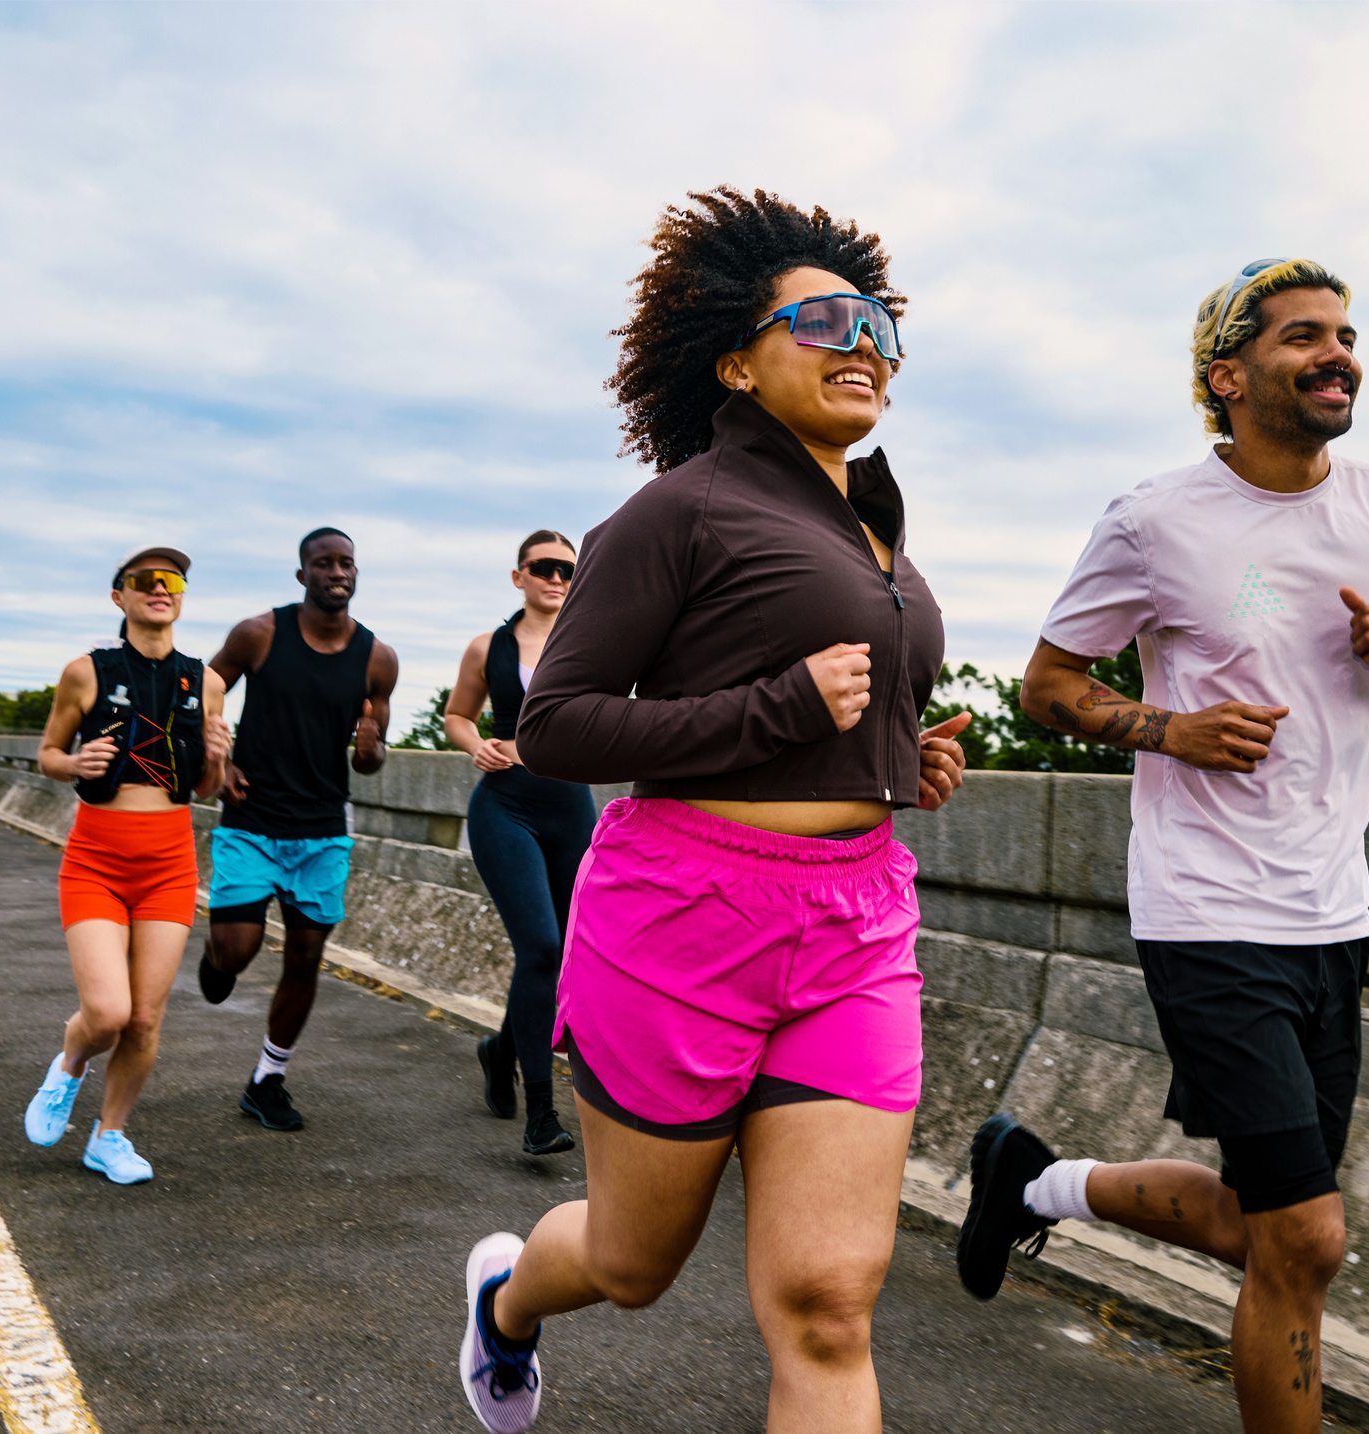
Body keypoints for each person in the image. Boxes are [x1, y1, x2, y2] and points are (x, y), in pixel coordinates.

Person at [456, 187, 972, 1434]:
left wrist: (904, 764)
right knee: (633, 1266)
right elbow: (562, 725)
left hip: (854, 925)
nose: (862, 344)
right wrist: (778, 710)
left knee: (830, 1303)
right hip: (684, 911)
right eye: (824, 322)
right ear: (737, 362)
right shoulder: (673, 512)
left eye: (879, 327)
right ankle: (507, 1304)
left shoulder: (876, 533)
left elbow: (846, 715)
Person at [956, 259, 1369, 1434]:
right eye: (1302, 338)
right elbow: (1047, 688)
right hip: (1207, 907)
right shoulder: (1153, 518)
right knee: (1308, 1236)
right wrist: (1168, 726)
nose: (1337, 354)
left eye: (1344, 334)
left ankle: (1028, 1180)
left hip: (1336, 911)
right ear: (1227, 377)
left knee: (1265, 1227)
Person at [22, 545, 231, 1185]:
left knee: (144, 1017)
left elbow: (205, 791)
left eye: (172, 581)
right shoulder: (86, 672)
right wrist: (72, 765)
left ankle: (108, 1137)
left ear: (182, 596)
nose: (159, 589)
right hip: (96, 859)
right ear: (120, 597)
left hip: (170, 863)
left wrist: (219, 759)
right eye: (144, 581)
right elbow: (49, 753)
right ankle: (69, 1064)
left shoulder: (209, 683)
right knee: (108, 1013)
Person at [194, 527, 398, 1132]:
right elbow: (205, 688)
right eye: (324, 563)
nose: (338, 572)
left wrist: (370, 747)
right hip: (253, 817)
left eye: (347, 564)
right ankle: (218, 957)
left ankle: (268, 1079)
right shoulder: (260, 633)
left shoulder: (377, 658)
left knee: (307, 955)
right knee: (239, 949)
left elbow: (370, 757)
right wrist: (218, 758)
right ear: (302, 574)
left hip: (322, 826)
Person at [443, 530, 594, 1158]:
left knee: (562, 960)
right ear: (519, 577)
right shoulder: (488, 646)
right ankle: (541, 1115)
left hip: (570, 809)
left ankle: (500, 1048)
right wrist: (472, 742)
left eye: (567, 569)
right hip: (505, 808)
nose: (556, 579)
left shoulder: (591, 645)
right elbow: (457, 713)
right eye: (544, 568)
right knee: (540, 944)